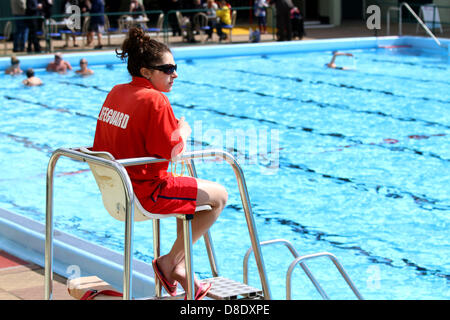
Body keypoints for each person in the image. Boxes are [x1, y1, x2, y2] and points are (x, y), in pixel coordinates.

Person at [92, 27, 227, 300]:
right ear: (145, 72)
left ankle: (180, 266)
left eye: (175, 67)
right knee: (219, 197)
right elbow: (174, 151)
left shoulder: (116, 92)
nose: (174, 74)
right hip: (146, 191)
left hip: (118, 189)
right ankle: (170, 263)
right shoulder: (156, 100)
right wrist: (184, 129)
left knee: (190, 197)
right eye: (167, 69)